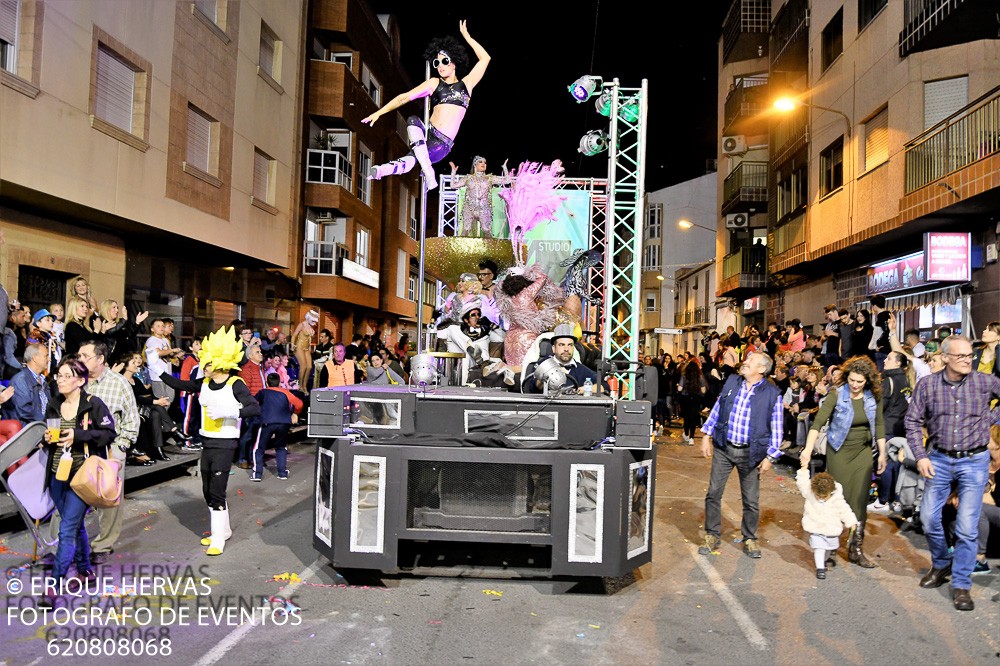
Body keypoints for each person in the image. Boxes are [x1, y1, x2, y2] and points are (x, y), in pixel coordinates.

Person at [904, 335, 1000, 611]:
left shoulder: (984, 381)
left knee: (967, 528)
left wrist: (990, 419)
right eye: (961, 356)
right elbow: (912, 422)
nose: (967, 360)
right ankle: (942, 563)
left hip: (974, 461)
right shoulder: (928, 385)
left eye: (970, 355)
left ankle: (961, 584)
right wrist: (920, 456)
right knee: (928, 517)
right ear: (944, 357)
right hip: (940, 459)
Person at [156, 327, 261, 556]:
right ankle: (223, 531)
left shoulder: (235, 384)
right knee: (206, 489)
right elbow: (180, 385)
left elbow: (254, 407)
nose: (204, 367)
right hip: (207, 442)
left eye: (208, 363)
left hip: (226, 444)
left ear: (220, 362)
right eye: (203, 362)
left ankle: (217, 539)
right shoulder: (203, 382)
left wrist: (228, 411)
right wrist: (156, 367)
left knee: (216, 491)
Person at [364, 21, 490, 191]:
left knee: (416, 157)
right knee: (412, 121)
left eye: (444, 61)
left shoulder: (466, 84)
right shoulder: (434, 83)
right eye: (436, 63)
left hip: (441, 143)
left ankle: (418, 170)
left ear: (454, 62)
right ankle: (381, 171)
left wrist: (467, 37)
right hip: (425, 134)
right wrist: (379, 112)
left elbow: (485, 58)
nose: (440, 66)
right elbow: (404, 98)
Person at [42, 357, 116, 600]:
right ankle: (85, 570)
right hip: (56, 473)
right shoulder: (54, 404)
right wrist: (46, 438)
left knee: (66, 528)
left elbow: (108, 434)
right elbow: (47, 434)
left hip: (82, 476)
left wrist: (79, 435)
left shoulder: (93, 405)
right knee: (74, 524)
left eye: (66, 376)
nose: (60, 380)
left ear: (80, 381)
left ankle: (54, 584)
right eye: (59, 375)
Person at [801, 356, 886, 568]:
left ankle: (856, 550)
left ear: (868, 380)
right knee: (836, 497)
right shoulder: (836, 395)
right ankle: (830, 548)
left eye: (860, 381)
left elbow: (880, 425)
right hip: (838, 451)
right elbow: (817, 423)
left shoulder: (873, 397)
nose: (855, 385)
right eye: (852, 380)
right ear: (846, 377)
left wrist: (883, 453)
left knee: (858, 499)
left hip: (863, 453)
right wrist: (808, 449)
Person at [698, 352, 783, 559]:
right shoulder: (732, 381)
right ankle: (712, 534)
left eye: (751, 361)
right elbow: (718, 408)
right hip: (723, 449)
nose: (745, 362)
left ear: (762, 369)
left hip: (751, 454)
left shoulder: (772, 394)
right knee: (713, 493)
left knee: (751, 500)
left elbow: (777, 427)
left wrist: (770, 457)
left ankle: (750, 538)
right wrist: (706, 436)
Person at [72, 341, 140, 565]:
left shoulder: (118, 383)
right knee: (69, 497)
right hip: (77, 449)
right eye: (79, 355)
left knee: (109, 500)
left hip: (108, 449)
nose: (80, 359)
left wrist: (120, 448)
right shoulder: (75, 381)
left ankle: (103, 545)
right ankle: (64, 543)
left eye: (85, 356)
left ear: (100, 359)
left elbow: (131, 419)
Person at [796, 469, 859, 579]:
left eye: (824, 496)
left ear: (831, 492)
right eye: (818, 496)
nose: (820, 498)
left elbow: (845, 510)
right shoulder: (809, 492)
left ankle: (824, 561)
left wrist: (851, 521)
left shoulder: (837, 499)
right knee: (819, 548)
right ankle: (820, 568)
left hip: (831, 529)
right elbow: (802, 483)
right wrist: (803, 469)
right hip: (816, 527)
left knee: (829, 548)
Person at [251, 373, 303, 482]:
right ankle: (282, 473)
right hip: (284, 423)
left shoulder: (263, 392)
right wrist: (295, 413)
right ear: (279, 382)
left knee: (259, 449)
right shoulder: (285, 392)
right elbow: (299, 404)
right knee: (281, 447)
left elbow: (254, 402)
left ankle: (257, 474)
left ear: (266, 382)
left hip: (267, 423)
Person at [522, 325, 602, 394]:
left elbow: (603, 386)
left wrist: (584, 389)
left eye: (570, 345)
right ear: (554, 348)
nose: (566, 349)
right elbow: (532, 388)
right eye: (562, 345)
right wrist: (544, 375)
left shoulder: (580, 369)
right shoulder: (542, 364)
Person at [449, 156, 510, 237]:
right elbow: (452, 185)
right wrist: (453, 172)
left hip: (483, 208)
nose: (483, 164)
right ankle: (461, 249)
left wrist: (505, 168)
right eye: (480, 162)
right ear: (475, 164)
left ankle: (489, 249)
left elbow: (507, 181)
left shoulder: (490, 178)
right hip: (469, 207)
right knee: (466, 230)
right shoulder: (468, 178)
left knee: (486, 230)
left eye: (485, 162)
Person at [3, 342, 50, 425]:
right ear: (35, 358)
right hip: (28, 431)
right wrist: (46, 423)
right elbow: (24, 410)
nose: (49, 359)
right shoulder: (20, 380)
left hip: (42, 428)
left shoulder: (43, 381)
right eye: (46, 356)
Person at [678, 359, 706, 445]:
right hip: (696, 398)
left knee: (687, 417)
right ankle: (691, 438)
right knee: (693, 418)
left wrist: (678, 386)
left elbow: (679, 388)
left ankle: (686, 434)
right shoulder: (700, 377)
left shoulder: (684, 376)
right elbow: (703, 390)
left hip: (685, 398)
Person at [290, 309, 318, 389]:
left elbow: (309, 340)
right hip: (299, 347)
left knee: (309, 367)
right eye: (313, 321)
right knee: (303, 366)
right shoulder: (301, 325)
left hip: (306, 348)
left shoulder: (310, 327)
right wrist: (292, 344)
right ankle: (300, 386)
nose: (314, 323)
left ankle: (304, 385)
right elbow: (294, 335)